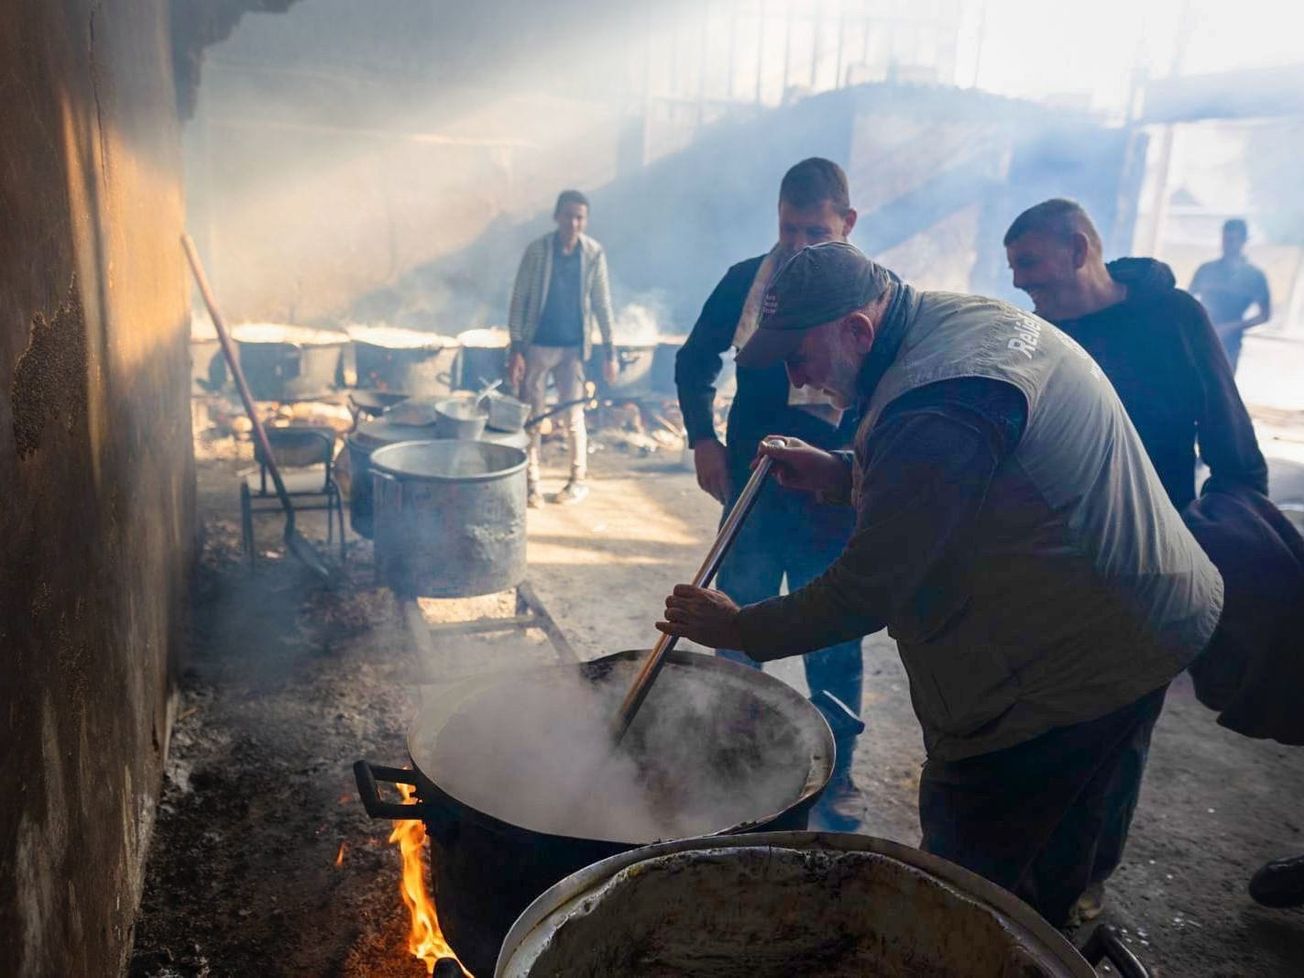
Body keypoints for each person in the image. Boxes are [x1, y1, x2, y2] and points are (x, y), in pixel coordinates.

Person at [658, 241, 1223, 929]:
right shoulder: (950, 322)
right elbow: (965, 477)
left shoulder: (937, 403)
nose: (796, 379)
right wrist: (844, 472)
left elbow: (867, 590)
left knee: (962, 881)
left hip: (1071, 660)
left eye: (799, 358)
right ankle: (1054, 923)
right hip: (1147, 609)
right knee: (1068, 839)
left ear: (857, 331)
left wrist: (738, 628)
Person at [1004, 199, 1270, 919]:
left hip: (1152, 567)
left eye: (1032, 266)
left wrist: (1213, 538)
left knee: (1119, 732)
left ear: (1081, 247)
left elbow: (1236, 455)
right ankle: (1029, 875)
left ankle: (1082, 884)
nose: (1025, 286)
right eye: (1016, 272)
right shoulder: (1038, 338)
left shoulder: (1174, 319)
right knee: (1045, 721)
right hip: (1057, 563)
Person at [675, 158, 867, 830]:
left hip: (830, 504)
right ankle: (724, 754)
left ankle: (837, 776)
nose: (799, 246)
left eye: (816, 230)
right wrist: (703, 439)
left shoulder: (867, 295)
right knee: (736, 621)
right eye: (789, 229)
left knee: (832, 635)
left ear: (848, 223)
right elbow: (693, 361)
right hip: (751, 489)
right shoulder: (745, 283)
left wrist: (850, 477)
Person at [507, 189, 618, 507]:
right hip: (538, 346)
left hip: (573, 349)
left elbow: (602, 304)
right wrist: (516, 349)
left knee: (573, 416)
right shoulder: (538, 252)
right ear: (557, 217)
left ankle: (577, 480)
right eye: (568, 215)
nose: (574, 223)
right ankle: (532, 483)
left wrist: (610, 352)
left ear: (586, 221)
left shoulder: (593, 253)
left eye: (580, 217)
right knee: (532, 417)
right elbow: (519, 301)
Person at [1190, 218, 1272, 373]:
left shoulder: (1254, 276)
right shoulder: (1206, 269)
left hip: (1229, 344)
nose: (1228, 244)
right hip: (1198, 338)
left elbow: (1264, 315)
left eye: (1234, 240)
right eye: (1226, 239)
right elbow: (1188, 299)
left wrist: (1229, 327)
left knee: (1221, 388)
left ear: (1243, 241)